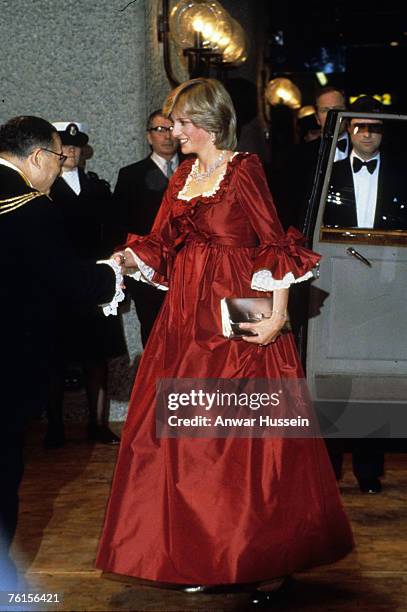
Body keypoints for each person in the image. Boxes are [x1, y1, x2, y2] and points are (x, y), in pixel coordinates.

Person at [96, 78, 353, 606]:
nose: (174, 131)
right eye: (171, 122)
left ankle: (262, 557)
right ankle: (200, 555)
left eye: (182, 122)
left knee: (244, 436)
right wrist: (122, 261)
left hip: (238, 306)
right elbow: (160, 243)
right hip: (186, 317)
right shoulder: (183, 175)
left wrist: (278, 315)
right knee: (188, 437)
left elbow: (274, 240)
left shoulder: (245, 168)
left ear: (209, 123)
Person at [0, 116, 124, 588]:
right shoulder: (31, 206)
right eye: (57, 156)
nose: (60, 165)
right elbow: (69, 281)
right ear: (36, 158)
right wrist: (113, 272)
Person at [44, 122, 126, 448]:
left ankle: (97, 424)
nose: (71, 153)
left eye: (76, 147)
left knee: (98, 357)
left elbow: (112, 233)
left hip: (94, 283)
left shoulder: (97, 188)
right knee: (56, 358)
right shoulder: (45, 190)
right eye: (64, 146)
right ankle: (54, 426)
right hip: (60, 285)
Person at [113, 110, 179, 346]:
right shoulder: (131, 175)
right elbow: (119, 225)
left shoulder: (193, 172)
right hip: (147, 271)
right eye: (159, 129)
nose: (167, 135)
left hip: (184, 269)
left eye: (171, 128)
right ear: (149, 136)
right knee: (154, 336)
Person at [324, 95, 407, 230]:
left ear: (383, 130)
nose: (367, 134)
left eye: (374, 127)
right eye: (360, 127)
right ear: (349, 128)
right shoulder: (329, 173)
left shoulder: (401, 176)